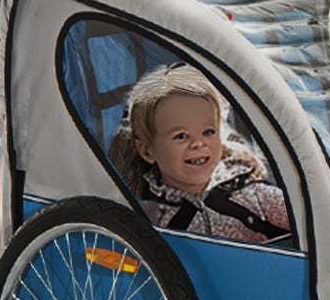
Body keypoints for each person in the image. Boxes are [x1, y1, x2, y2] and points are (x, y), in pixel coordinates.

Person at [108, 63, 294, 245]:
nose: (198, 143)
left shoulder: (253, 196)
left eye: (208, 132)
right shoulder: (147, 214)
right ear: (147, 151)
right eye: (181, 136)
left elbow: (314, 222)